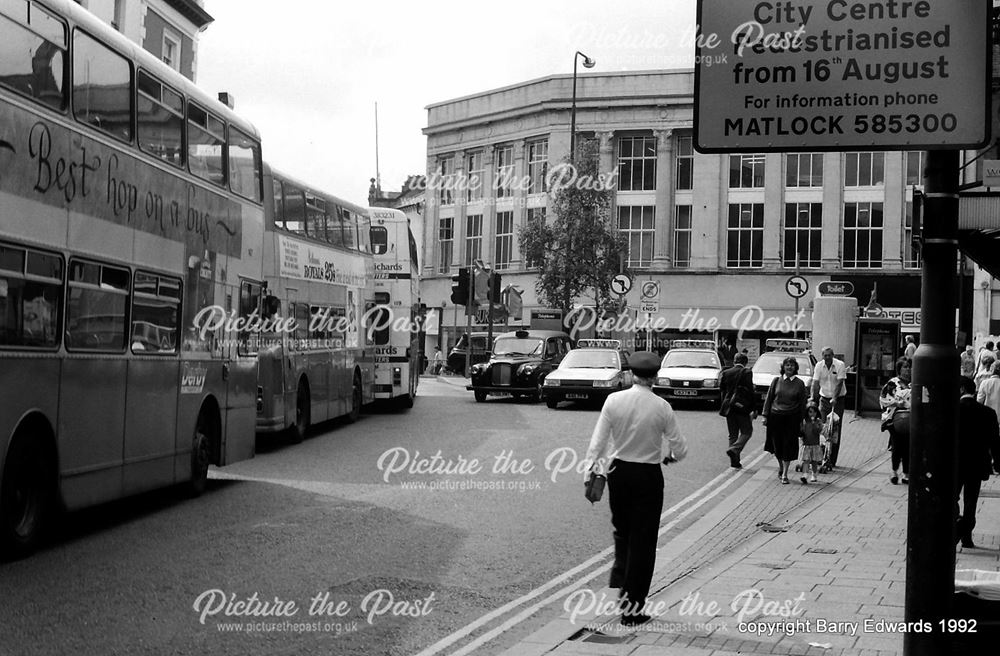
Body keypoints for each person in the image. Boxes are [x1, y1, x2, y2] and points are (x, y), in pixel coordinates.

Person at [585, 351, 687, 626]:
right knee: (644, 541)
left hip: (618, 472)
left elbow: (598, 443)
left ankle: (619, 584)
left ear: (631, 374)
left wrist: (591, 473)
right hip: (647, 475)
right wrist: (670, 457)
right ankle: (632, 609)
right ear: (654, 376)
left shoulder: (613, 400)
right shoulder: (662, 406)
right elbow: (680, 448)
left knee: (623, 532)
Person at [957, 376, 1000, 549]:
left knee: (951, 498)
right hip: (977, 463)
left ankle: (957, 525)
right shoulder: (988, 413)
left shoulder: (951, 410)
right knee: (971, 500)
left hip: (956, 463)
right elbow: (995, 442)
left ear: (960, 389)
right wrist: (997, 462)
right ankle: (967, 536)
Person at [762, 356, 809, 484]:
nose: (789, 367)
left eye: (792, 365)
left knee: (788, 445)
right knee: (777, 445)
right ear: (783, 367)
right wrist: (765, 415)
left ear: (796, 368)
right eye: (787, 365)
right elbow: (769, 398)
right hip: (775, 417)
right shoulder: (776, 381)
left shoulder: (799, 383)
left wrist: (802, 421)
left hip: (792, 418)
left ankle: (785, 474)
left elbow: (802, 404)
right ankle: (781, 466)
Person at [811, 346, 848, 468]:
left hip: (838, 400)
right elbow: (815, 384)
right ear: (822, 356)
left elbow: (839, 383)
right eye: (825, 355)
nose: (827, 357)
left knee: (834, 429)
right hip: (824, 399)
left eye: (829, 355)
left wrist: (835, 398)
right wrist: (813, 399)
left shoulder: (840, 365)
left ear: (832, 355)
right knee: (823, 428)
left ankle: (832, 459)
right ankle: (822, 457)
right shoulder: (818, 366)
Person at [719, 352, 756, 469]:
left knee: (733, 435)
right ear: (745, 362)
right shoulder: (747, 372)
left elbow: (722, 391)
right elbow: (750, 392)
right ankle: (734, 449)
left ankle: (734, 462)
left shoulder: (725, 373)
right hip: (742, 407)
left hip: (729, 407)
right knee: (747, 432)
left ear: (734, 361)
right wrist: (754, 408)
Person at [880, 357, 912, 485]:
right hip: (895, 419)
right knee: (897, 446)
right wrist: (896, 403)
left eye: (909, 367)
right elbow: (883, 399)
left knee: (908, 447)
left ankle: (906, 473)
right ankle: (894, 471)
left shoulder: (914, 382)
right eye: (905, 367)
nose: (907, 369)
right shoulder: (893, 383)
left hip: (911, 419)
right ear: (899, 369)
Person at [799, 403, 824, 484]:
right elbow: (802, 431)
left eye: (814, 412)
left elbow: (818, 431)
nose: (812, 414)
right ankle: (805, 475)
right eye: (810, 412)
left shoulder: (818, 421)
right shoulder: (805, 421)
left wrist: (815, 424)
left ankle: (814, 474)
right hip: (806, 444)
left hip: (814, 444)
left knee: (814, 461)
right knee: (806, 460)